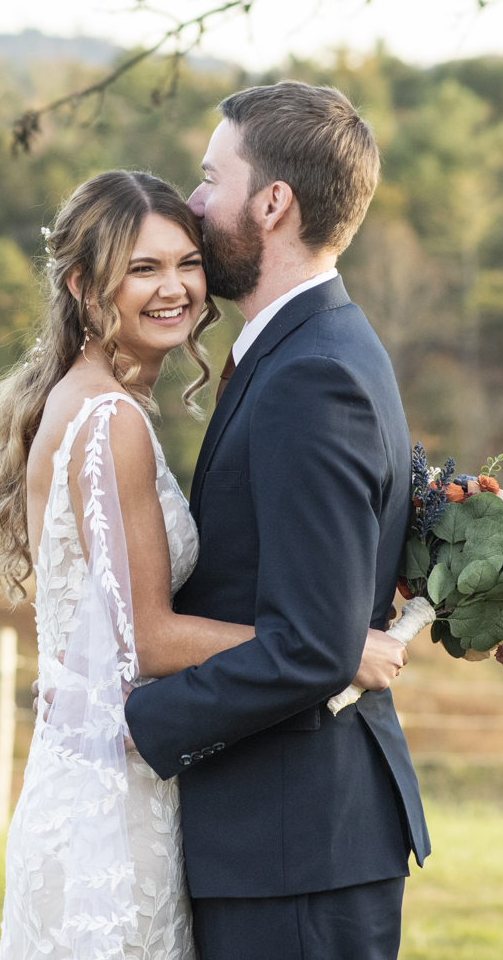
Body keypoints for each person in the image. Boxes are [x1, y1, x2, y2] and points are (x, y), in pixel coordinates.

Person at [125, 81, 428, 960]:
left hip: (294, 844)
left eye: (210, 176)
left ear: (272, 203)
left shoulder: (310, 375)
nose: (192, 200)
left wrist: (144, 723)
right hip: (288, 837)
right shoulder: (310, 345)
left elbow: (310, 645)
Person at [0, 169, 249, 960]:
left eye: (187, 263)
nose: (176, 288)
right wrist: (318, 645)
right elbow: (148, 639)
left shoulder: (81, 396)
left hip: (96, 772)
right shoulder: (110, 419)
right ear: (85, 285)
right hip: (107, 810)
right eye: (143, 268)